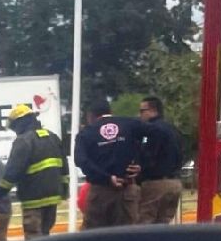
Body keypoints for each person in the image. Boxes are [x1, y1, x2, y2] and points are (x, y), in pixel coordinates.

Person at [0, 104, 69, 240]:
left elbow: (13, 171)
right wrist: (64, 190)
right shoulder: (53, 137)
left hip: (33, 199)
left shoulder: (24, 141)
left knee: (34, 238)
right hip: (53, 198)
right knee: (45, 235)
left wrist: (0, 191)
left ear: (19, 124)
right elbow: (64, 167)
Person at [73, 99, 145, 228]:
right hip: (127, 189)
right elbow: (155, 135)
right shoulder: (130, 124)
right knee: (126, 236)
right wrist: (140, 163)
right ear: (110, 111)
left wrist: (106, 177)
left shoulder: (86, 133)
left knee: (93, 236)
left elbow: (80, 160)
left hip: (100, 192)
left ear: (91, 116)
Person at [136, 95, 184, 225]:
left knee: (143, 224)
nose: (139, 115)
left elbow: (148, 156)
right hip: (174, 182)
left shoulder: (152, 130)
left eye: (141, 111)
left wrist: (138, 176)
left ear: (153, 110)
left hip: (155, 184)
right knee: (163, 225)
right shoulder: (173, 130)